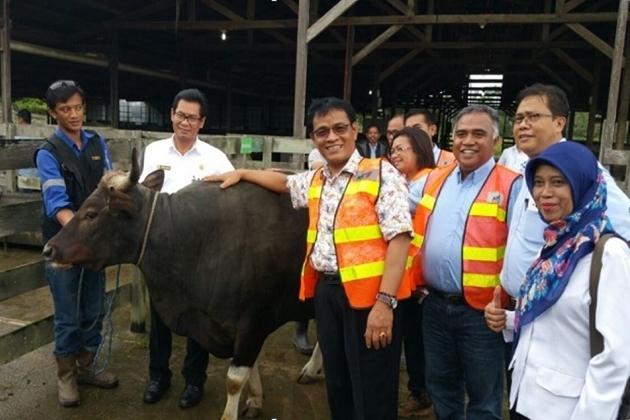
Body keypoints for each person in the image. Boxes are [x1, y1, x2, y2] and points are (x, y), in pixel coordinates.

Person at [206, 97, 413, 420]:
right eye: (322, 131)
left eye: (340, 128)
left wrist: (385, 304)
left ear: (355, 130)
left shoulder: (381, 174)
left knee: (372, 388)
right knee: (338, 382)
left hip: (371, 298)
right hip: (328, 293)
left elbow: (400, 239)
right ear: (314, 138)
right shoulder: (317, 179)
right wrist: (243, 173)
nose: (332, 137)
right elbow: (285, 183)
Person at [484, 83, 630, 419]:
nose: (522, 125)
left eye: (533, 116)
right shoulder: (555, 232)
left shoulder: (594, 193)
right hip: (530, 345)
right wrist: (511, 317)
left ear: (560, 123)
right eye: (518, 117)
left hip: (568, 393)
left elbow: (614, 355)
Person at [409, 104, 522, 419]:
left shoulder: (513, 185)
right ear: (452, 138)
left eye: (478, 134)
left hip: (483, 313)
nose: (467, 141)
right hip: (434, 305)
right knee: (442, 387)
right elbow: (392, 198)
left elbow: (523, 249)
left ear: (496, 142)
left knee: (484, 397)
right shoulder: (434, 179)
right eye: (461, 134)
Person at [139, 88, 234, 408]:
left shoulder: (215, 159)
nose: (185, 122)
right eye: (181, 115)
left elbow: (228, 203)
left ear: (202, 122)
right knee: (160, 316)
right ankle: (158, 377)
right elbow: (139, 199)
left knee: (197, 318)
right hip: (160, 252)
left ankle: (194, 381)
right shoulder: (153, 152)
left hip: (199, 254)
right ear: (171, 114)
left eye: (192, 117)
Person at [34, 80, 118, 407]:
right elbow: (57, 203)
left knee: (93, 307)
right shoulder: (48, 152)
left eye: (78, 107)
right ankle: (66, 375)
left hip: (93, 244)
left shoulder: (97, 142)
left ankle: (87, 367)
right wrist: (85, 235)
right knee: (67, 313)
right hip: (65, 245)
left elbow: (110, 186)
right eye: (65, 109)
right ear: (53, 112)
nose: (74, 114)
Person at [388, 126, 435, 417]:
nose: (395, 155)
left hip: (420, 281)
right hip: (406, 278)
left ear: (419, 150)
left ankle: (422, 392)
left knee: (417, 341)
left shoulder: (427, 182)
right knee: (410, 337)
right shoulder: (406, 181)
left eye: (401, 149)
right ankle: (420, 390)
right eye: (392, 150)